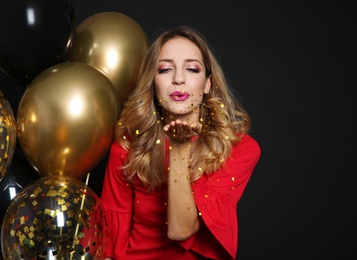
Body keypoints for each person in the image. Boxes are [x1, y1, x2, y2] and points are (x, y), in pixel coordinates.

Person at [100, 25, 261, 260]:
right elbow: (109, 245)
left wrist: (178, 148)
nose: (178, 80)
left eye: (192, 69)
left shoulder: (239, 149)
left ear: (207, 84)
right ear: (153, 84)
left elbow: (180, 230)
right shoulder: (126, 149)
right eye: (165, 69)